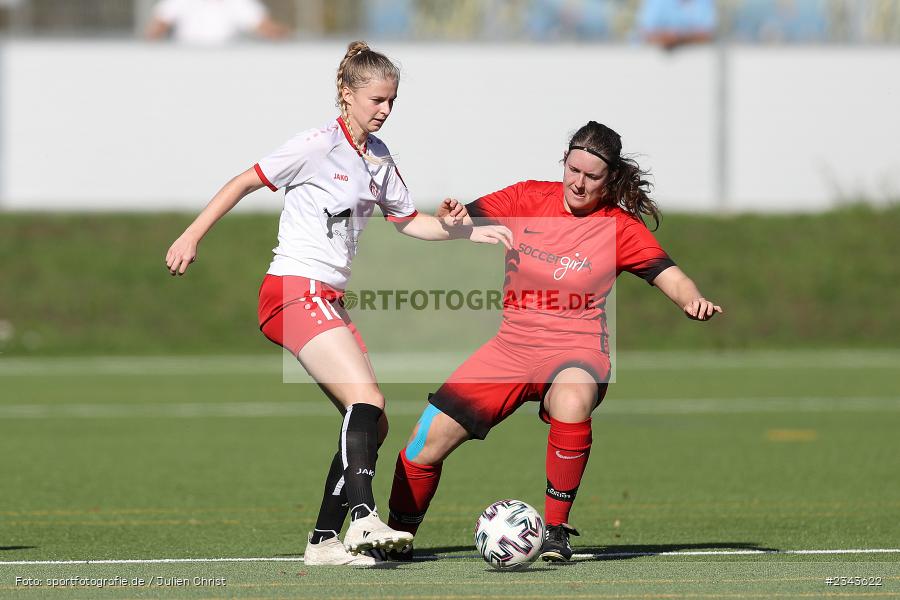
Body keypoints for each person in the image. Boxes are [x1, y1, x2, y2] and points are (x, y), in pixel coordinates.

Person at [164, 41, 512, 566]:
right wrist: (192, 235)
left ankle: (324, 541)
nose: (386, 110)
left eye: (392, 100)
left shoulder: (378, 157)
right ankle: (365, 517)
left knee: (375, 420)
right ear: (346, 94)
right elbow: (243, 181)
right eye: (376, 99)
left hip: (325, 297)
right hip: (293, 288)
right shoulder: (315, 145)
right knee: (366, 402)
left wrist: (464, 232)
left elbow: (408, 221)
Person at [386, 121, 723, 562]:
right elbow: (459, 221)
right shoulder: (526, 198)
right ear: (563, 162)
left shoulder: (619, 227)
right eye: (573, 169)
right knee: (423, 443)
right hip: (512, 348)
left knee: (572, 398)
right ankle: (394, 538)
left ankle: (556, 531)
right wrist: (452, 218)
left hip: (577, 349)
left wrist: (692, 299)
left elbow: (669, 274)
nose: (579, 183)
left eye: (593, 177)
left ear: (611, 178)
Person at [146, 0, 290, 45]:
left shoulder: (239, 2)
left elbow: (265, 27)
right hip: (187, 60)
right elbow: (157, 27)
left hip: (226, 63)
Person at [636, 0, 717, 50]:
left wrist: (678, 38)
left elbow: (707, 34)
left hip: (694, 63)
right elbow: (646, 34)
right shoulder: (658, 2)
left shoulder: (704, 2)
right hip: (655, 63)